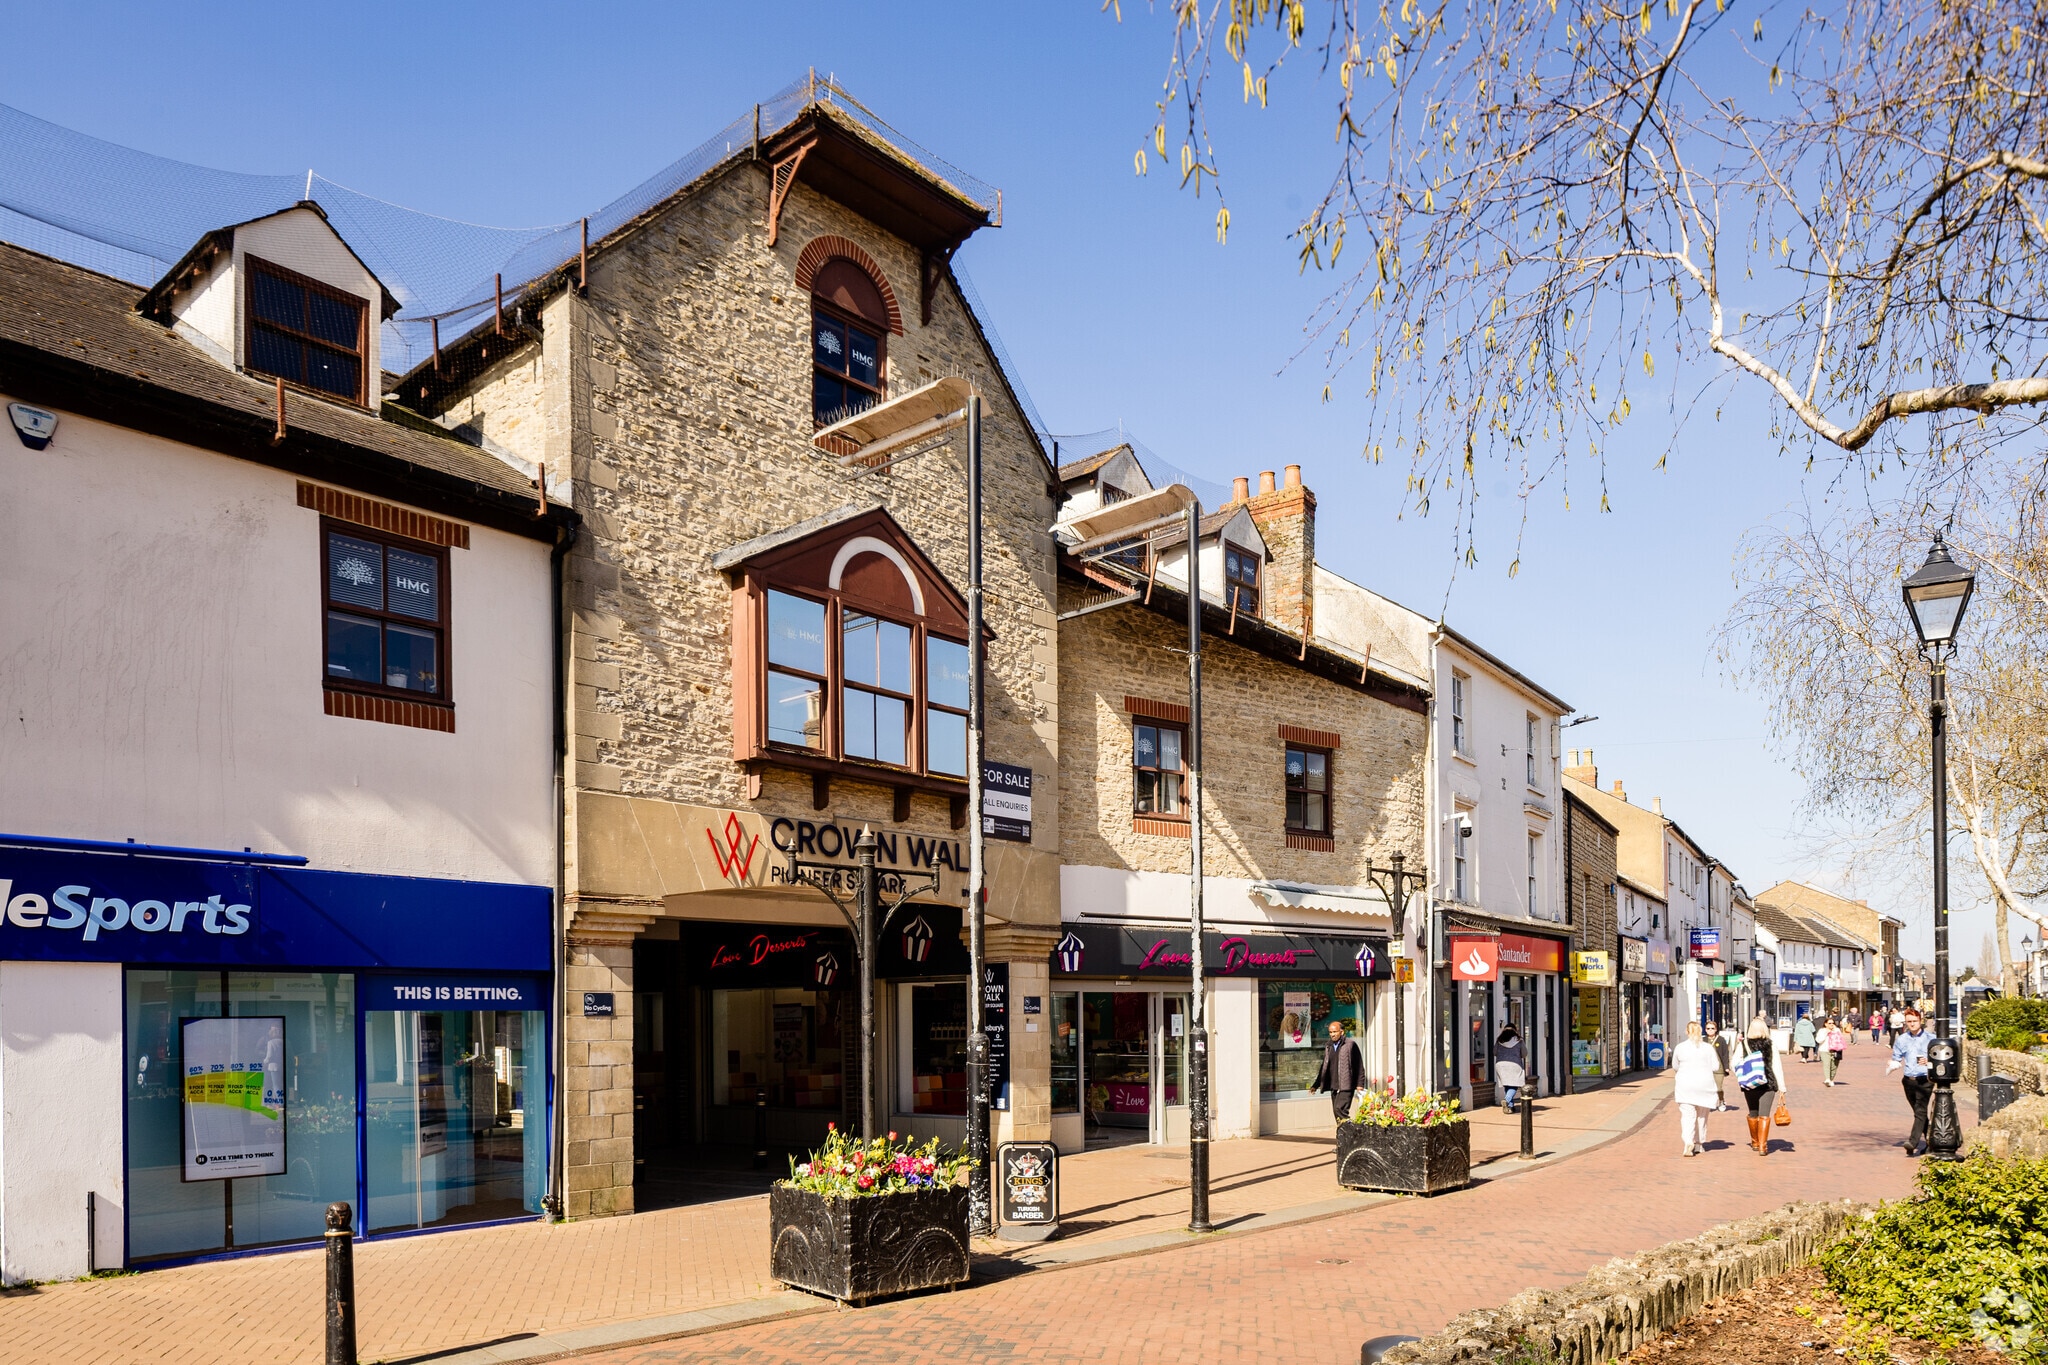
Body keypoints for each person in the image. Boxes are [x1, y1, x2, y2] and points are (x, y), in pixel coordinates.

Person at [1735, 1017, 1789, 1154]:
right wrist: (1782, 1087)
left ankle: (1754, 1141)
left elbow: (1734, 1062)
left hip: (1750, 1083)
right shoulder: (1770, 1045)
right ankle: (1762, 1146)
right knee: (1764, 1114)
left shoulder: (1743, 1044)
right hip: (1768, 1083)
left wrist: (1743, 1074)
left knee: (1753, 1113)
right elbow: (1777, 1066)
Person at [1886, 1007, 1935, 1156]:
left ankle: (1912, 1143)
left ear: (1920, 1021)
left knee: (1920, 1110)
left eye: (1915, 1021)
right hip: (1908, 1080)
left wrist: (1929, 1060)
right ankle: (1930, 1143)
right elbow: (1896, 1058)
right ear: (1905, 1023)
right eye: (1909, 1022)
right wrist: (1891, 1063)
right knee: (1918, 1112)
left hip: (1925, 1080)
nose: (1912, 1024)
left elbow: (1940, 1058)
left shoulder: (1931, 1039)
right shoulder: (1902, 1039)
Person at [1671, 1020, 1721, 1156]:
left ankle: (1688, 1141)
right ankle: (1699, 1143)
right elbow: (1716, 1066)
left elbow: (1675, 1066)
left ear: (1687, 1032)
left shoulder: (1680, 1047)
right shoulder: (1708, 1048)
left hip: (1685, 1085)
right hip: (1704, 1085)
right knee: (1702, 1116)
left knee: (1687, 1116)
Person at [1310, 1019, 1365, 1123]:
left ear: (1342, 1032)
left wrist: (1360, 1084)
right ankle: (1343, 1135)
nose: (1332, 1034)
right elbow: (1324, 1067)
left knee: (1339, 1109)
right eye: (1330, 1032)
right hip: (1334, 1085)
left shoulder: (1350, 1045)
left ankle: (1350, 1132)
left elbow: (1359, 1065)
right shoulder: (1329, 1046)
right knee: (1337, 1114)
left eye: (1335, 1032)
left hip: (1346, 1085)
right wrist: (1316, 1085)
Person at [1494, 1025, 1528, 1114]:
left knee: (1507, 1084)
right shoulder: (1519, 1041)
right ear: (1515, 1031)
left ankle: (1510, 1107)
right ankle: (1507, 1100)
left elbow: (1494, 1052)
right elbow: (1524, 1054)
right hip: (1514, 1065)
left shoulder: (1499, 1040)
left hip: (1501, 1065)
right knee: (1514, 1085)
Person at [1703, 1018, 1732, 1111]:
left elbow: (1725, 1054)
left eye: (1712, 1028)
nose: (1710, 1030)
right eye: (1708, 1028)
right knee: (1707, 1087)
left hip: (1719, 1068)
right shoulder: (1703, 1040)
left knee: (1718, 1088)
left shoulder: (1721, 1040)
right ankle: (1708, 1103)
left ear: (1716, 1029)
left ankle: (1721, 1100)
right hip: (1706, 1068)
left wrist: (1726, 1067)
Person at [1823, 1017, 1848, 1085]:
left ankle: (1830, 1079)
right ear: (1826, 1024)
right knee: (1827, 1065)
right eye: (1829, 1023)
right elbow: (1819, 1040)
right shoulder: (1822, 1031)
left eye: (1833, 1023)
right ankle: (1827, 1079)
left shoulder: (1837, 1030)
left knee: (1834, 1066)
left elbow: (1840, 1038)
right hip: (1825, 1050)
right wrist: (1826, 1033)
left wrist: (1834, 1031)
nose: (1831, 1024)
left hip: (1836, 1050)